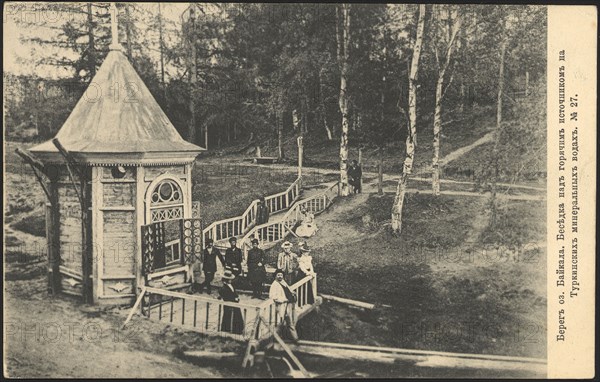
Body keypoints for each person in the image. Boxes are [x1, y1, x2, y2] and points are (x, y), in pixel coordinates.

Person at [269, 269, 298, 342]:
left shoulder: (283, 282)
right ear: (275, 276)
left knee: (290, 321)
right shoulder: (274, 285)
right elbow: (272, 296)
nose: (280, 277)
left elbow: (288, 289)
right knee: (281, 322)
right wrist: (283, 299)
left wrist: (292, 293)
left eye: (281, 275)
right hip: (282, 305)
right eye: (278, 275)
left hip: (288, 305)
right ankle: (278, 339)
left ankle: (294, 338)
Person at [218, 270, 245, 335]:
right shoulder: (223, 288)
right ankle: (227, 330)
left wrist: (236, 297)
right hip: (229, 304)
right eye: (229, 279)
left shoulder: (231, 285)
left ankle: (237, 330)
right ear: (226, 280)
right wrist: (235, 299)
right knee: (228, 317)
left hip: (234, 303)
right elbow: (227, 297)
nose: (231, 280)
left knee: (237, 316)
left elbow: (234, 292)